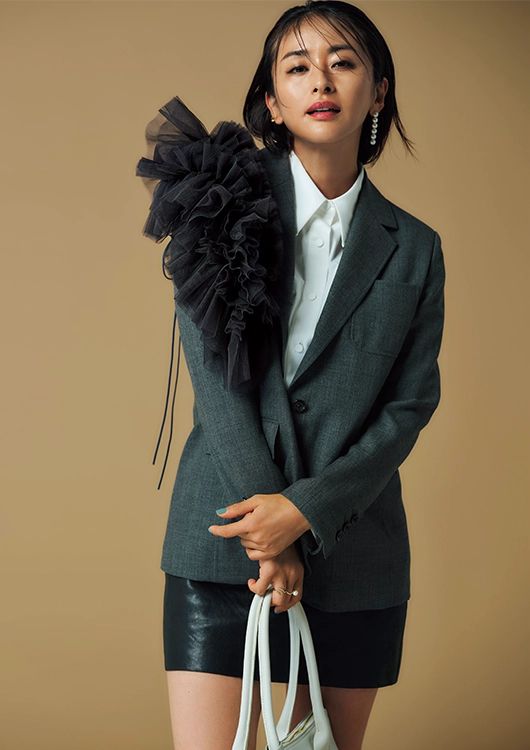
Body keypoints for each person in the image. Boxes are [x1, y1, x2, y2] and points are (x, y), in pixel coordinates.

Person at [135, 2, 446, 748]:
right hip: (225, 543)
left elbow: (409, 404)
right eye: (298, 66)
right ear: (272, 102)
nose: (321, 81)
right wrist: (272, 533)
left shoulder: (416, 247)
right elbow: (217, 379)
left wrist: (305, 511)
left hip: (356, 550)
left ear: (378, 91)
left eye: (344, 63)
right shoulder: (217, 202)